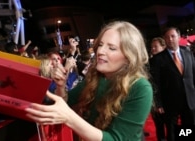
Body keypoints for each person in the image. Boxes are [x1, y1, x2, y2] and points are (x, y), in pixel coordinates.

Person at [25, 21, 153, 141]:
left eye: (112, 48)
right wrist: (61, 86)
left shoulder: (141, 88)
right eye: (101, 45)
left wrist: (69, 117)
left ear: (129, 56)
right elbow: (66, 102)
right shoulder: (96, 77)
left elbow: (116, 139)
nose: (100, 51)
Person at [150, 27, 195, 141]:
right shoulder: (158, 59)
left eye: (173, 36)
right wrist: (158, 103)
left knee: (188, 128)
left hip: (189, 99)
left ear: (179, 37)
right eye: (167, 37)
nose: (170, 39)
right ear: (164, 39)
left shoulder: (187, 52)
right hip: (169, 102)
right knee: (171, 132)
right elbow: (156, 82)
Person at [149, 37, 167, 141]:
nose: (153, 49)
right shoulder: (150, 63)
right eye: (152, 47)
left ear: (163, 47)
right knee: (159, 127)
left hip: (169, 101)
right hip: (156, 101)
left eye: (156, 46)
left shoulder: (170, 62)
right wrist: (157, 103)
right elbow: (153, 84)